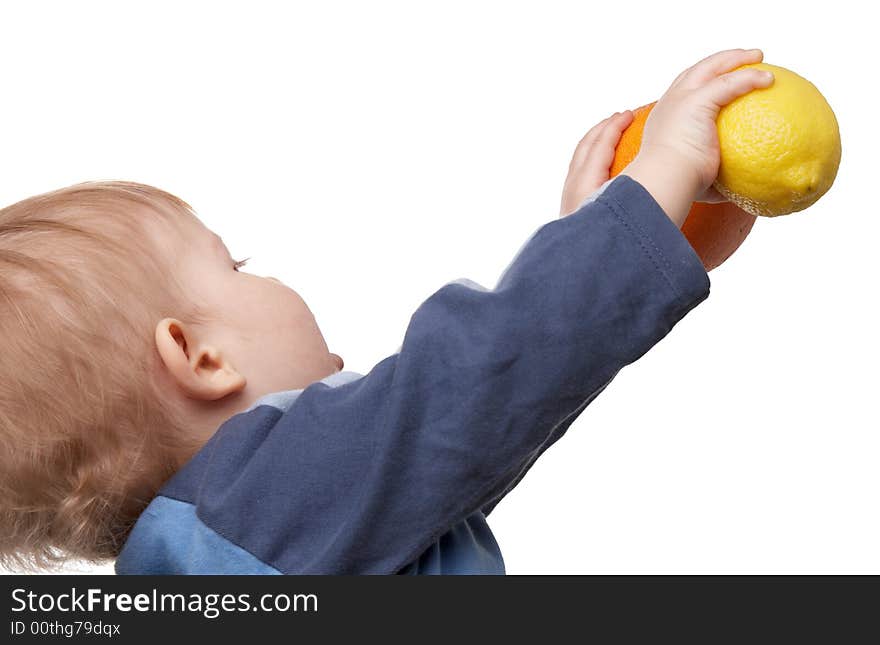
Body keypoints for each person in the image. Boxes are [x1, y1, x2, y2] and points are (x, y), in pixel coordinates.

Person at [0, 49, 773, 574]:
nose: (259, 274)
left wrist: (610, 241)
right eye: (234, 265)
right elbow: (476, 380)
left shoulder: (232, 547)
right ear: (201, 358)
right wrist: (659, 175)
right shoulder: (266, 497)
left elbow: (472, 438)